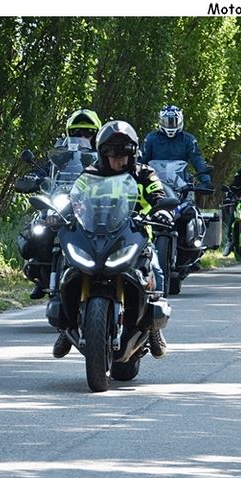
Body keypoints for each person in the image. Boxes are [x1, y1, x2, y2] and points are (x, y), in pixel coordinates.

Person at [52, 120, 172, 360]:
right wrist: (58, 213)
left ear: (133, 153)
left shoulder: (144, 173)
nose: (119, 159)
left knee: (155, 271)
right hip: (94, 235)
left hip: (134, 236)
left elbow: (159, 195)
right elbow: (75, 199)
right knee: (68, 267)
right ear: (102, 153)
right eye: (113, 153)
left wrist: (163, 211)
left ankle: (153, 329)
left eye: (124, 153)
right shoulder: (89, 174)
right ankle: (65, 327)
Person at [15, 109, 103, 299]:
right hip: (61, 200)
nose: (82, 137)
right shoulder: (61, 155)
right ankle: (40, 276)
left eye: (87, 133)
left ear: (96, 134)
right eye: (77, 132)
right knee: (37, 228)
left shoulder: (102, 157)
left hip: (89, 205)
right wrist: (34, 178)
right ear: (69, 133)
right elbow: (45, 170)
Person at [140, 104, 213, 189]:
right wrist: (134, 178)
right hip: (154, 185)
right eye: (166, 121)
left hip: (182, 186)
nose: (170, 125)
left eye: (174, 121)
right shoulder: (151, 138)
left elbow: (197, 160)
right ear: (160, 121)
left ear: (180, 121)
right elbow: (141, 160)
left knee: (190, 197)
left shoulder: (188, 139)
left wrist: (206, 180)